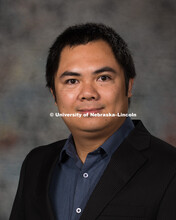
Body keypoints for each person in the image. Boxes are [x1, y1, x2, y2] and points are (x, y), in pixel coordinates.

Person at [10, 23, 176, 220]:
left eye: (103, 78)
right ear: (54, 95)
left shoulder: (169, 168)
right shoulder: (35, 165)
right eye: (72, 81)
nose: (88, 94)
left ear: (128, 86)